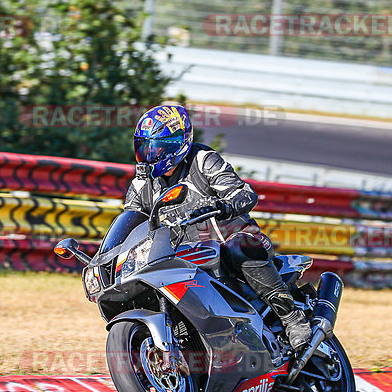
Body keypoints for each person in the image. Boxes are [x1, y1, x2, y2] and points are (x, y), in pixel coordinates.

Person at [124, 104, 312, 351]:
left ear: (177, 143)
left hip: (229, 242)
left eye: (159, 146)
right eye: (146, 147)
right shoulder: (142, 184)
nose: (152, 153)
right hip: (184, 256)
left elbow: (244, 192)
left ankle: (292, 319)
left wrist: (224, 205)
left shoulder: (202, 161)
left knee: (239, 246)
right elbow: (129, 223)